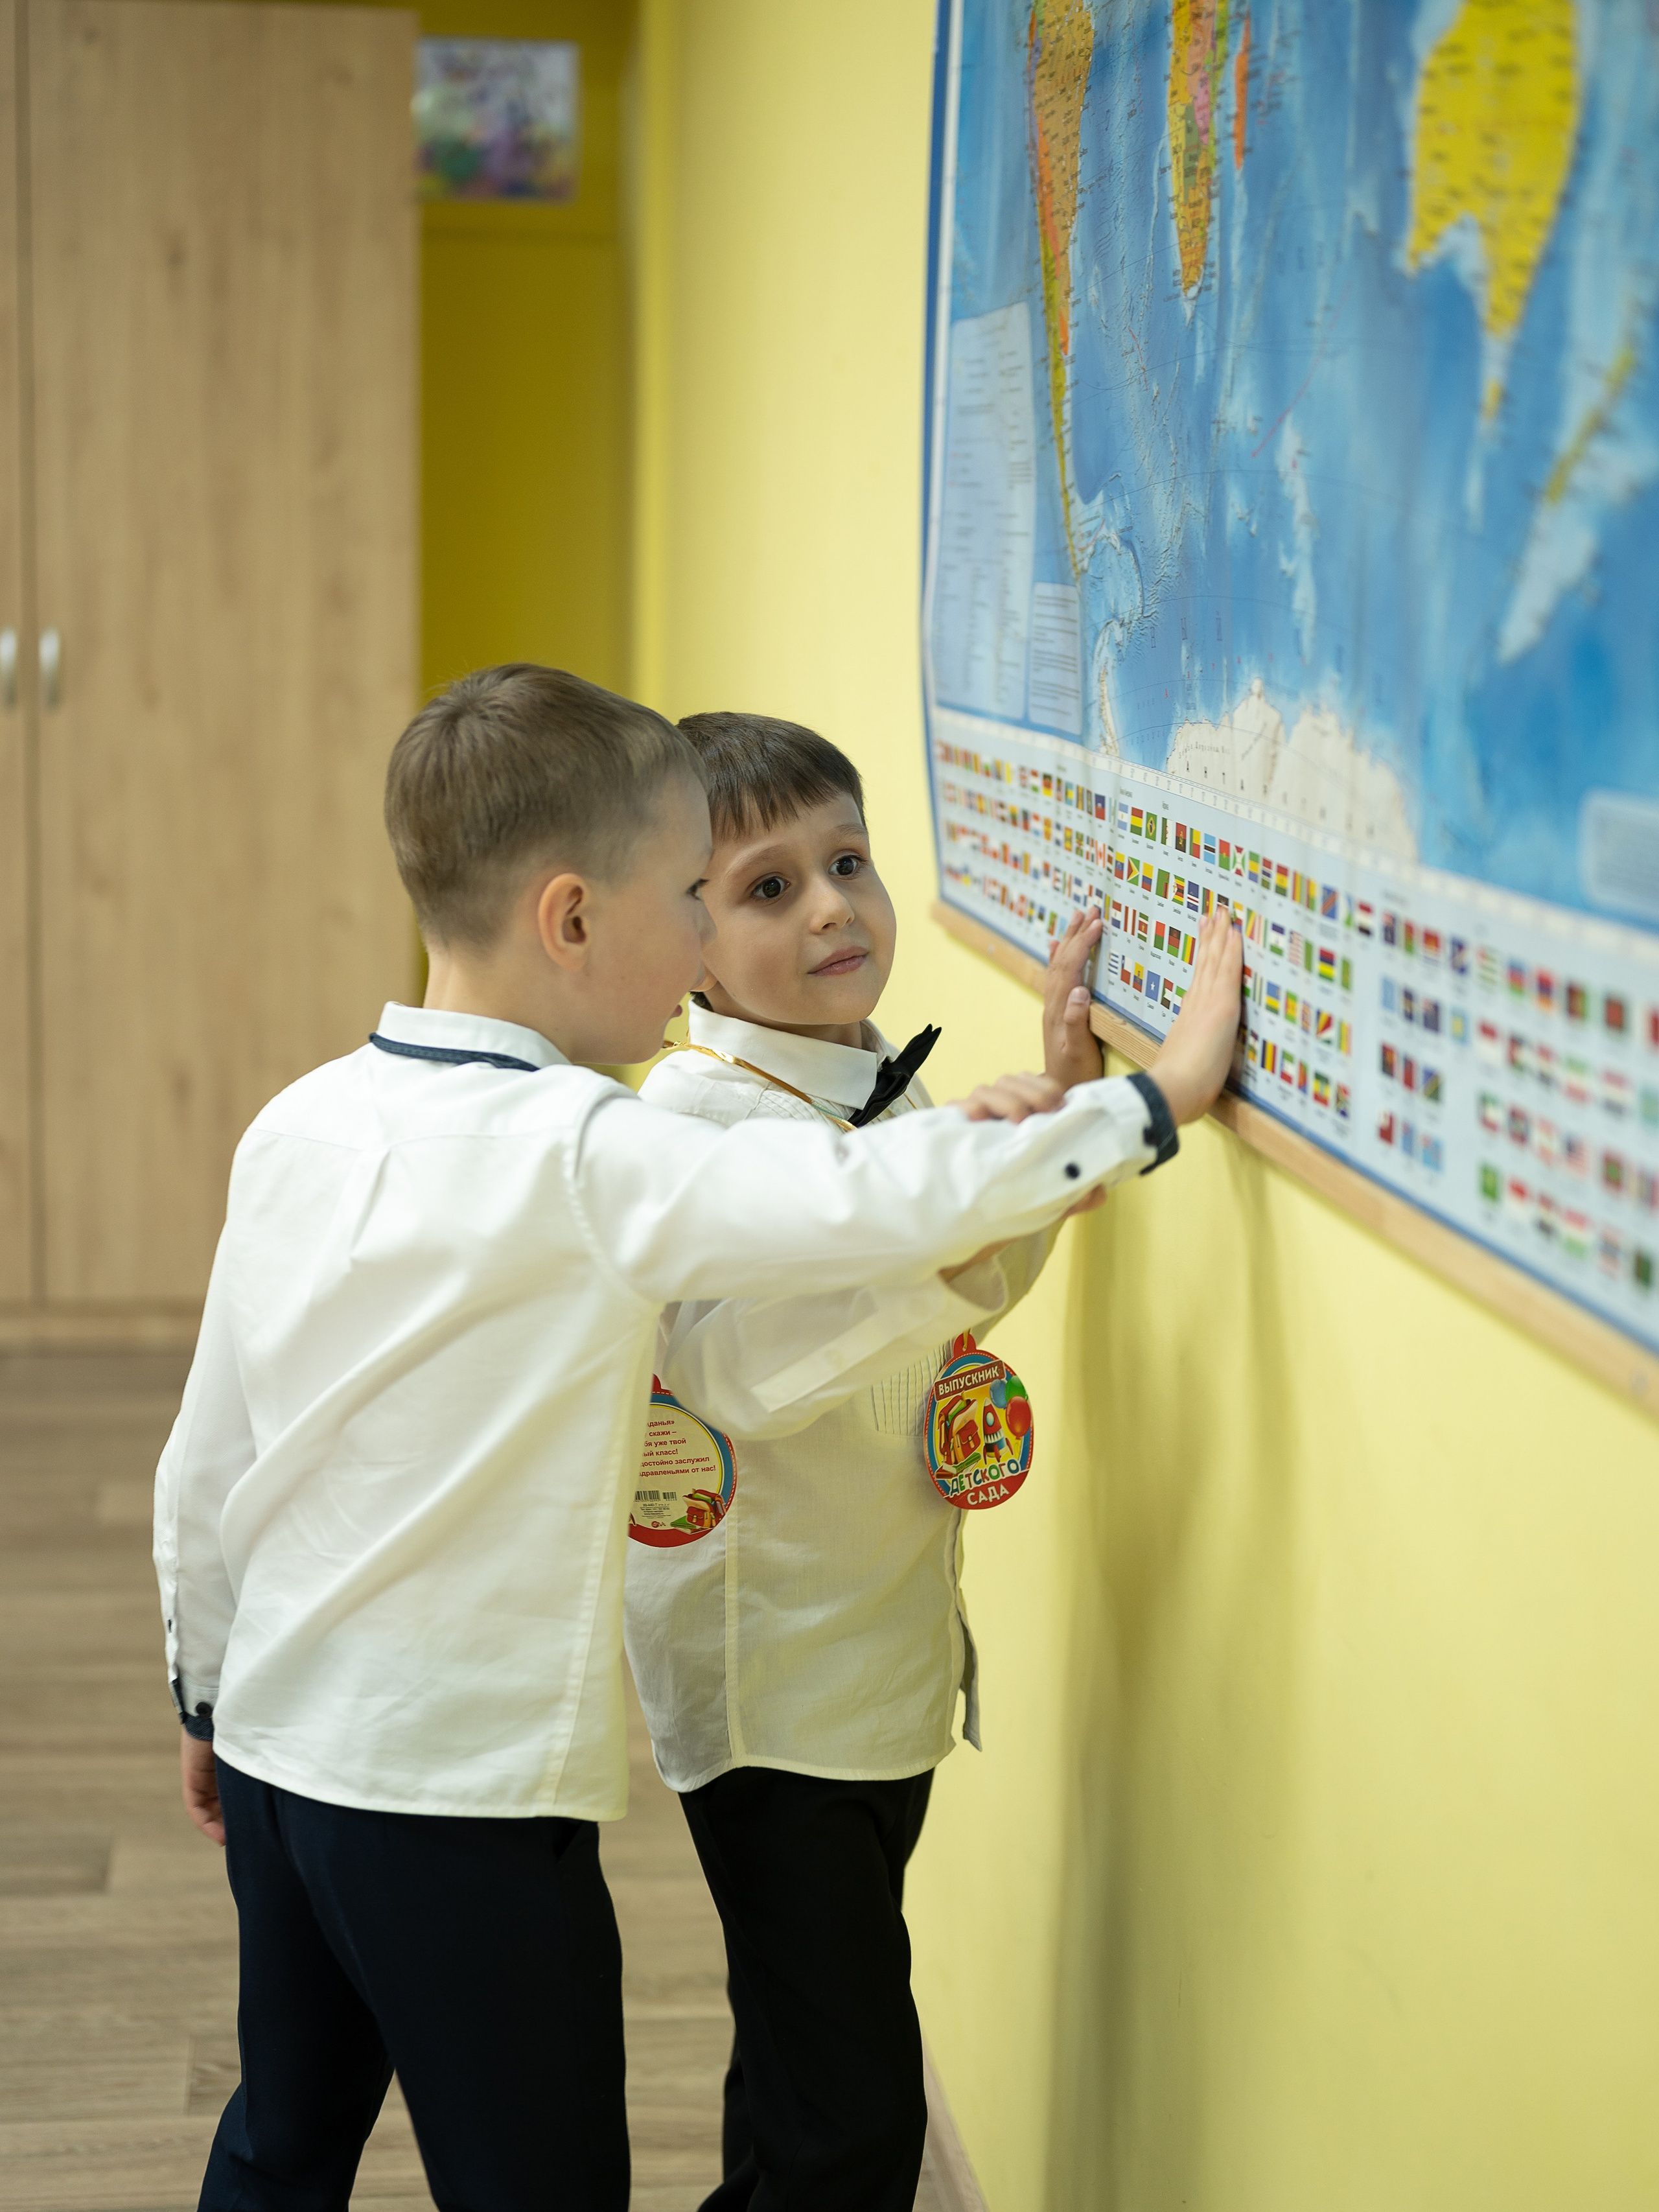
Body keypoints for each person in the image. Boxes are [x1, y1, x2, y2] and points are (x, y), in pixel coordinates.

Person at [154, 664, 1242, 2211]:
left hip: (277, 1749)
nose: (692, 950)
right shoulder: (595, 1153)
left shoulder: (303, 1118)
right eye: (688, 894)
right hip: (461, 1801)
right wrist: (1153, 1100)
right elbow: (860, 1203)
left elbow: (212, 1442)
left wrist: (198, 1680)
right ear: (572, 919)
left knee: (281, 2144)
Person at [625, 713, 1139, 2212]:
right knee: (852, 2121)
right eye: (768, 887)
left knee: (797, 2061)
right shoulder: (694, 1129)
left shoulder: (865, 1077)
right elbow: (743, 1375)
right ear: (686, 946)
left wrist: (1037, 1122)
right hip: (772, 1688)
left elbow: (953, 1287)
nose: (834, 905)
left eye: (846, 860)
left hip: (883, 1657)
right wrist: (979, 1204)